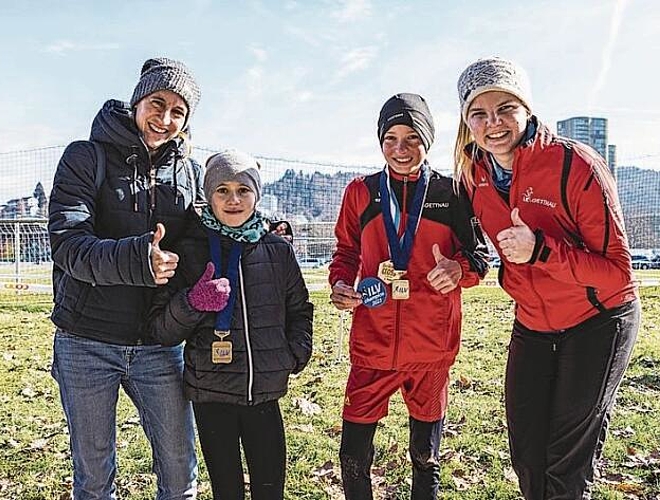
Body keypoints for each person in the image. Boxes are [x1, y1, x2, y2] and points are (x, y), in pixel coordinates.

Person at [452, 56, 641, 499]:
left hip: (598, 320)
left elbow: (618, 275)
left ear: (528, 110)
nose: (493, 123)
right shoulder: (472, 175)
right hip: (534, 324)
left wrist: (540, 250)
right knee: (528, 457)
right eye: (478, 113)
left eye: (506, 108)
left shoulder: (576, 165)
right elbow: (472, 252)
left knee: (565, 463)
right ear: (466, 121)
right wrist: (455, 266)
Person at [48, 57, 202, 499]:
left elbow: (199, 243)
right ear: (137, 100)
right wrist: (139, 260)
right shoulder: (85, 157)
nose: (165, 118)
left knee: (179, 470)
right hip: (87, 342)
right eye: (158, 103)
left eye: (178, 112)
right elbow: (68, 245)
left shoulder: (189, 173)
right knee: (94, 477)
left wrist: (260, 237)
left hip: (159, 344)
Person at [329, 93, 489, 499]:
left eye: (412, 138)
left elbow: (479, 257)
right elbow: (346, 252)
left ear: (428, 140)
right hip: (372, 346)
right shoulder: (361, 193)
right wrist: (341, 284)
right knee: (353, 456)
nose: (400, 150)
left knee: (425, 456)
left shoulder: (453, 192)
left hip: (430, 348)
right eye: (390, 139)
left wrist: (458, 269)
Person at [147, 150, 314, 500]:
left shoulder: (276, 251)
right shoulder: (191, 251)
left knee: (270, 489)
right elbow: (162, 329)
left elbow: (300, 309)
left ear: (257, 194)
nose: (233, 199)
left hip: (264, 394)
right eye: (222, 190)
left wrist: (294, 354)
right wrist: (192, 302)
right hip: (211, 398)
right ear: (209, 196)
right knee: (227, 491)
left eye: (243, 189)